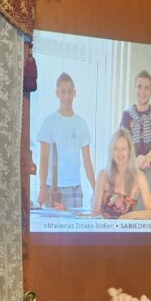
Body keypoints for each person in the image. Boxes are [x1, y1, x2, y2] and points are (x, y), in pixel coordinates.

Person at [37, 73, 97, 209]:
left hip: (74, 187)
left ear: (74, 93)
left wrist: (96, 188)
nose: (66, 96)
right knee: (51, 223)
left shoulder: (81, 124)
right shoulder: (48, 122)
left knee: (75, 223)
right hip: (52, 188)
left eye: (70, 92)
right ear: (57, 93)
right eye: (63, 92)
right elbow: (44, 158)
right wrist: (42, 187)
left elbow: (87, 160)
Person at [119, 70, 151, 212]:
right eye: (139, 87)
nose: (142, 91)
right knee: (132, 213)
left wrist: (148, 158)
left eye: (146, 88)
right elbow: (122, 143)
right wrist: (134, 162)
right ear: (135, 88)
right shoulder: (126, 115)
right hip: (132, 170)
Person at [91, 129, 151, 219]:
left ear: (130, 151)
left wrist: (132, 215)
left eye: (124, 149)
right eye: (115, 148)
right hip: (104, 227)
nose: (120, 153)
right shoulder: (102, 175)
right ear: (111, 151)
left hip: (127, 227)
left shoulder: (139, 176)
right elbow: (95, 212)